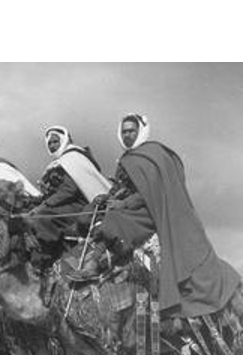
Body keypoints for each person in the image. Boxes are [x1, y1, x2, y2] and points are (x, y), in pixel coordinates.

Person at [70, 113, 240, 319]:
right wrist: (107, 198)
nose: (127, 135)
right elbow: (122, 186)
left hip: (151, 210)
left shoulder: (153, 155)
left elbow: (152, 191)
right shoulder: (126, 159)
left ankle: (94, 263)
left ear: (141, 130)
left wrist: (124, 203)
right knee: (91, 215)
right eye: (124, 132)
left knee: (115, 218)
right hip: (131, 207)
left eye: (132, 131)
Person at [25, 126, 111, 267]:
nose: (52, 146)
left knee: (41, 218)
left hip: (80, 204)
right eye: (49, 143)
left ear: (65, 139)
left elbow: (69, 190)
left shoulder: (73, 159)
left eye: (55, 141)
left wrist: (44, 205)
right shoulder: (62, 162)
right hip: (66, 203)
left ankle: (45, 261)